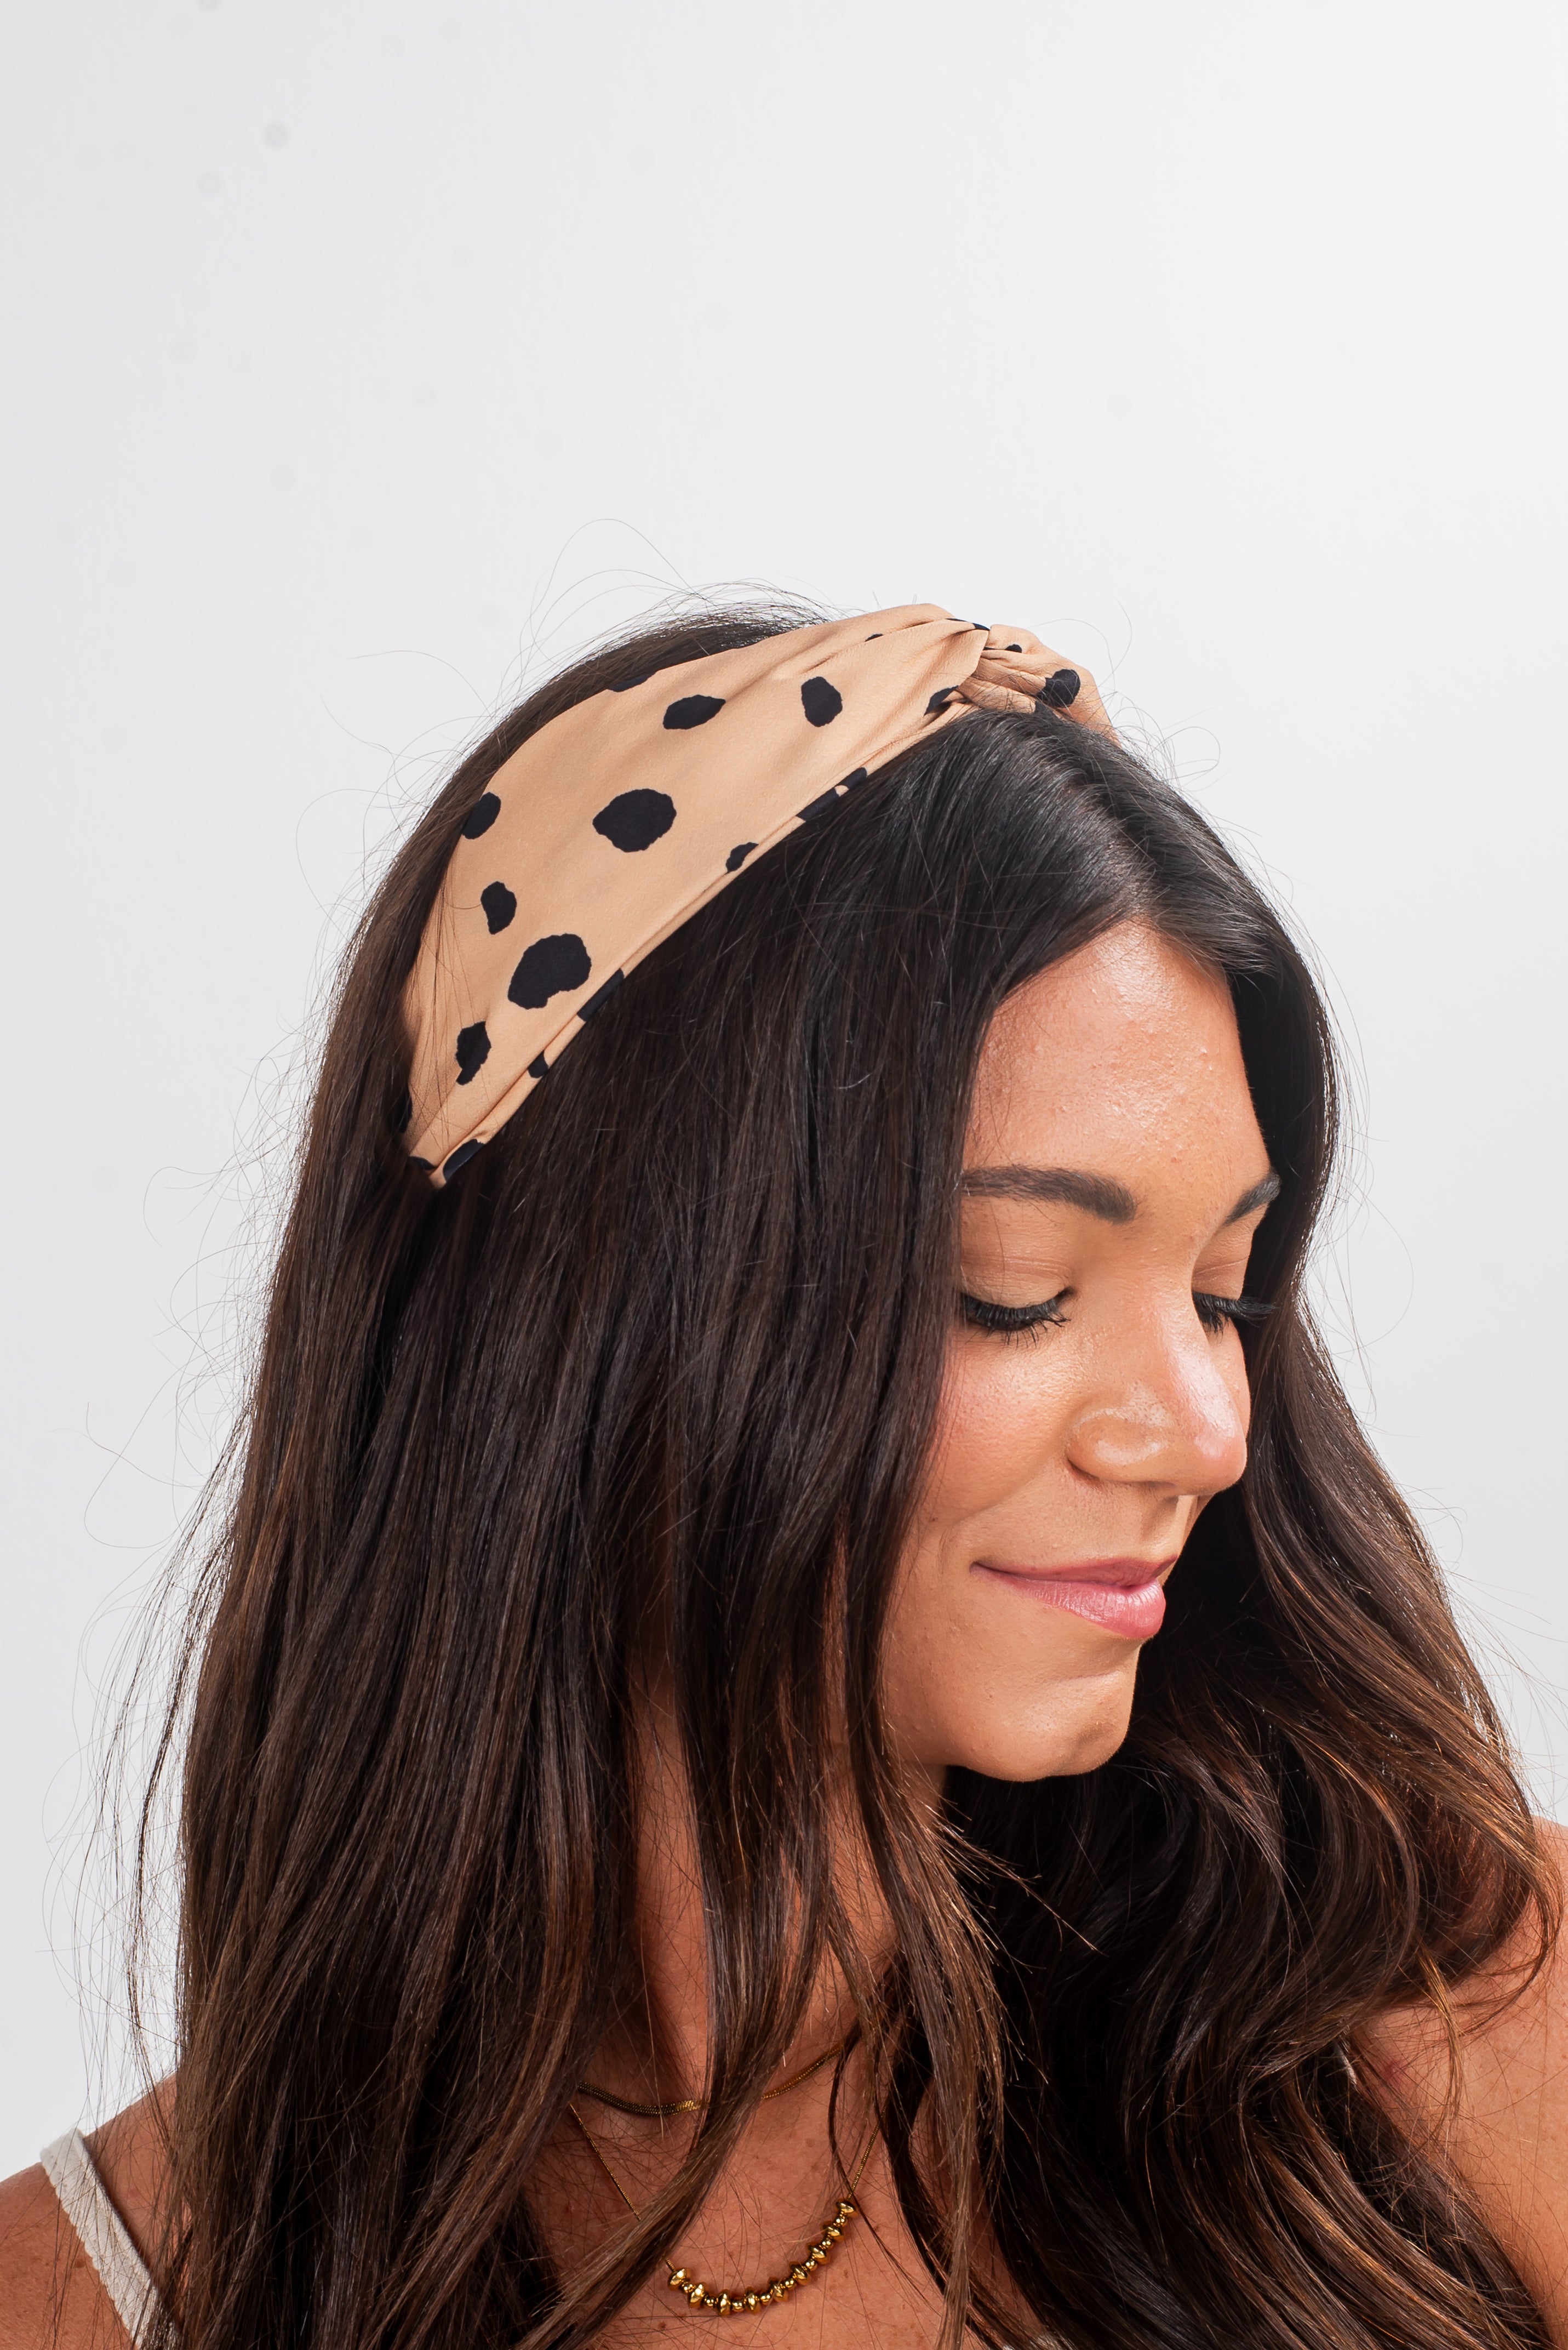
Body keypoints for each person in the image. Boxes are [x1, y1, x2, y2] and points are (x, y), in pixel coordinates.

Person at [1, 600, 1563, 2350]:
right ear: (598, 1322)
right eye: (1018, 1291)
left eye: (1224, 1295)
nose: (1204, 1430)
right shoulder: (95, 2293)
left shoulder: (1465, 2009)